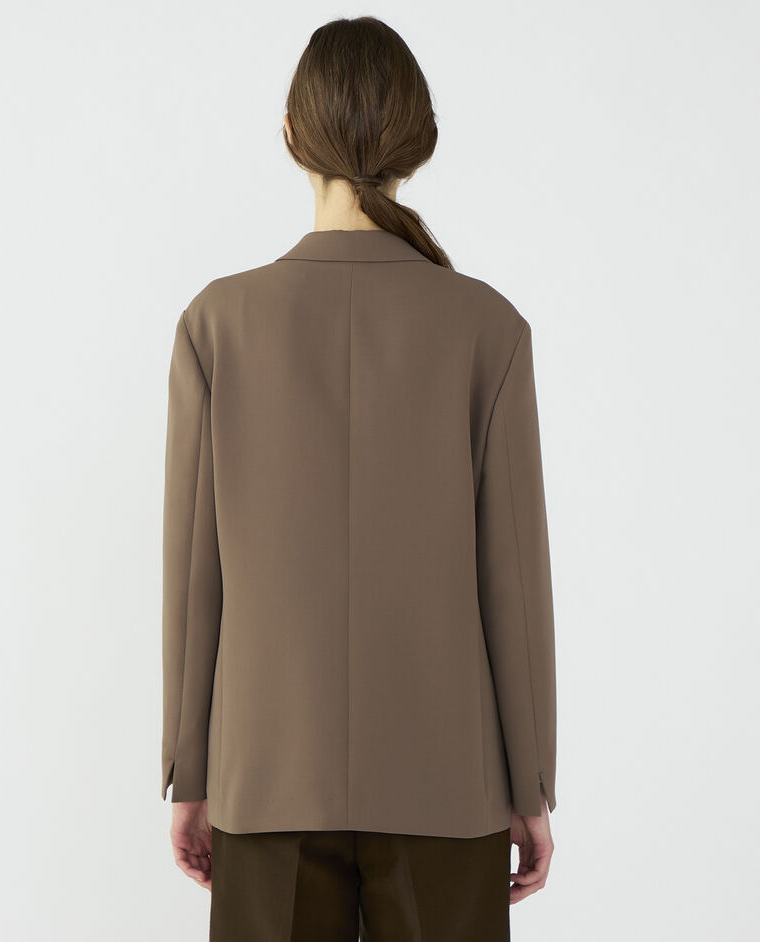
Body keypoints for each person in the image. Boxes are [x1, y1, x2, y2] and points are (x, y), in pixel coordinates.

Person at [161, 15, 557, 941]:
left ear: (291, 135)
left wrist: (191, 773)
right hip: (448, 783)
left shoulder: (216, 324)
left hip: (264, 777)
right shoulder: (487, 328)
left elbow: (194, 573)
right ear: (419, 142)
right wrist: (529, 784)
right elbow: (512, 582)